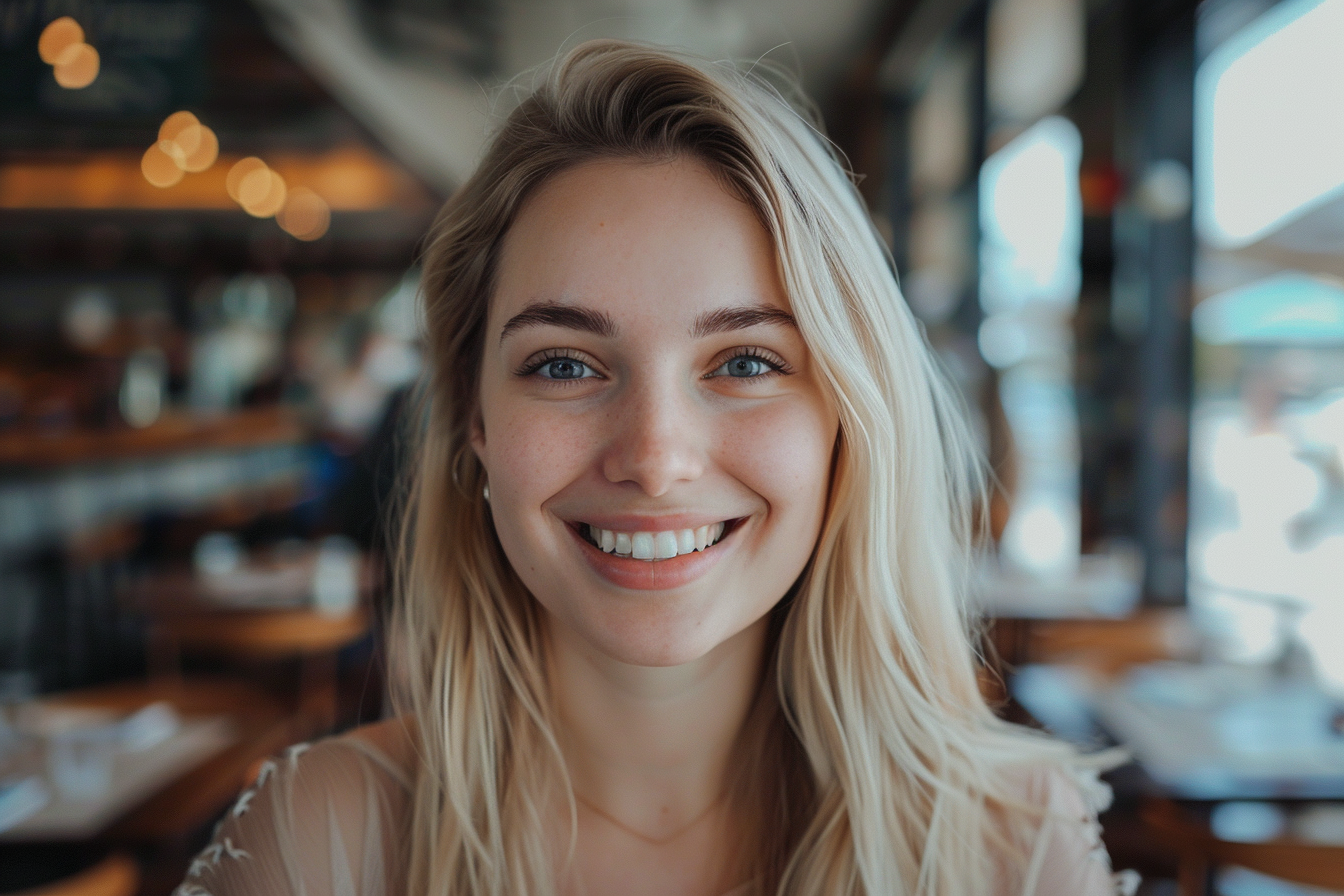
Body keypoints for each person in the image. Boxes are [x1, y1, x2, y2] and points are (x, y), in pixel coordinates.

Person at [176, 40, 1135, 896]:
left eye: (748, 363)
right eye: (563, 364)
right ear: (470, 415)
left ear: (849, 415)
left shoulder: (1013, 846)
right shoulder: (320, 845)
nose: (655, 458)